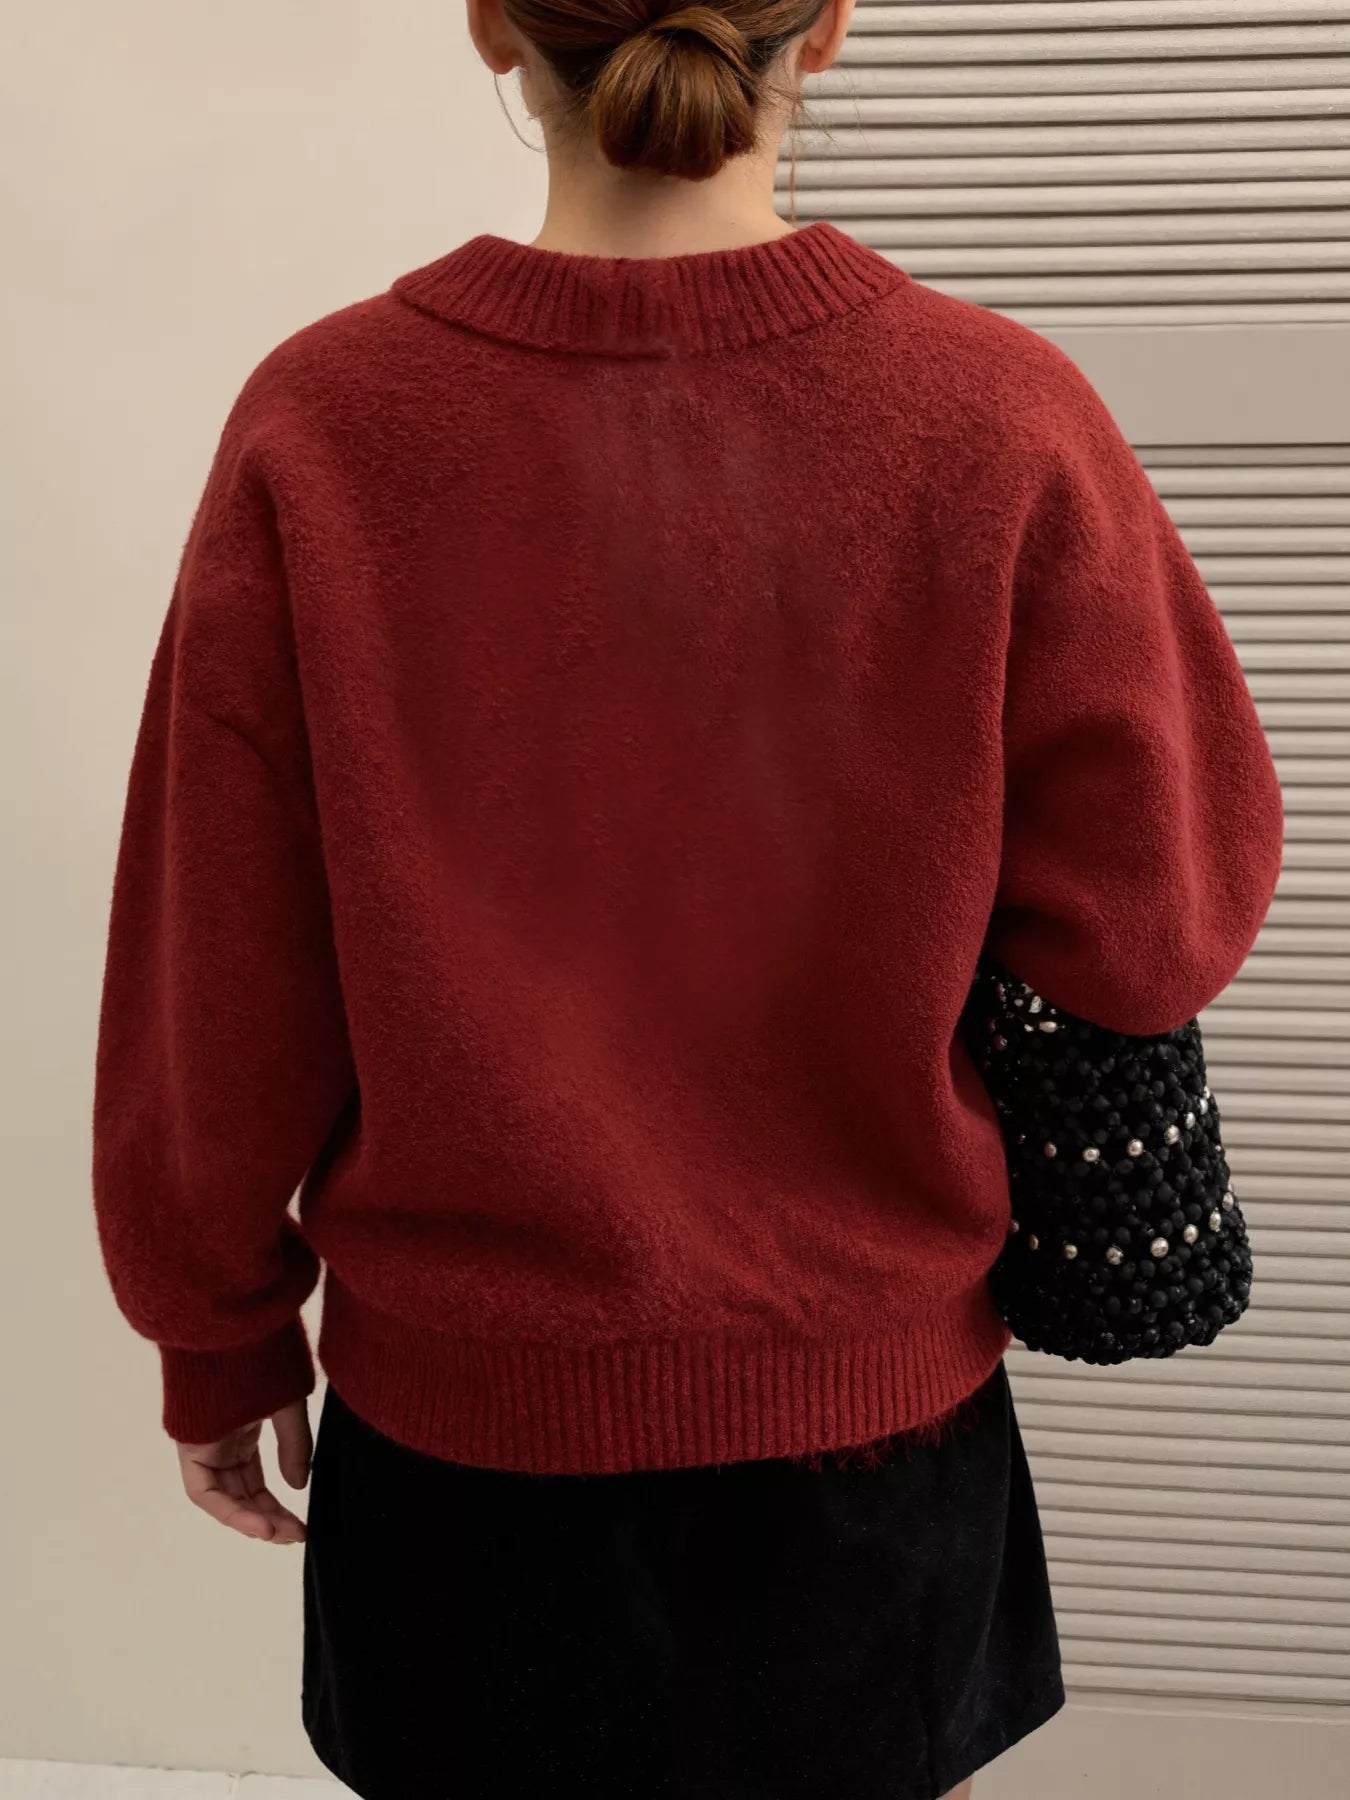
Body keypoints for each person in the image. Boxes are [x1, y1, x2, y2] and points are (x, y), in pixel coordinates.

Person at [91, 0, 1284, 1795]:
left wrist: (215, 1328)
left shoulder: (323, 421)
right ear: (831, 25)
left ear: (491, 28)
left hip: (461, 1453)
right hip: (870, 1452)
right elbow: (1156, 912)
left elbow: (218, 957)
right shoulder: (999, 412)